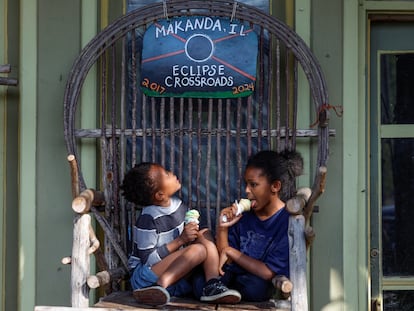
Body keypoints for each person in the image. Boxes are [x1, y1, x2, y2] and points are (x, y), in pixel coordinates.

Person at [120, 162, 241, 306]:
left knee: (205, 233)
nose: (171, 173)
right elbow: (148, 260)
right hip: (145, 279)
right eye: (166, 175)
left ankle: (212, 284)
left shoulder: (178, 205)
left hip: (174, 275)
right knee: (198, 250)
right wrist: (180, 240)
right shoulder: (148, 218)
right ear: (160, 195)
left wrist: (193, 233)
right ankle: (159, 287)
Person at [216, 150, 303, 301]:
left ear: (275, 186)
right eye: (246, 184)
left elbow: (268, 272)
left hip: (257, 282)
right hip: (233, 276)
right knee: (200, 282)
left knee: (255, 287)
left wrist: (232, 252)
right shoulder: (244, 217)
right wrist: (223, 228)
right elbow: (225, 258)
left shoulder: (286, 222)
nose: (246, 190)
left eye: (253, 185)